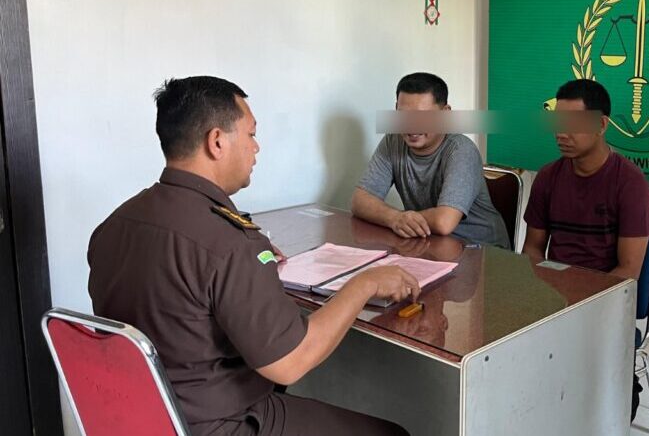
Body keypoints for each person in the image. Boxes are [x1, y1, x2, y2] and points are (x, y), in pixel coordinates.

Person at [88, 76, 416, 436]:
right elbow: (291, 361)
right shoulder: (230, 241)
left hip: (144, 418)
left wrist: (246, 268)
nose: (256, 148)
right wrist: (365, 284)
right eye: (251, 134)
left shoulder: (114, 225)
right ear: (217, 142)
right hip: (221, 424)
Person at [521, 78, 649, 420]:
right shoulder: (548, 178)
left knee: (602, 403)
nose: (561, 133)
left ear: (601, 125)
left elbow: (627, 273)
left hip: (604, 304)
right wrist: (540, 294)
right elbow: (533, 249)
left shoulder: (630, 184)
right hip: (553, 298)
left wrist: (577, 306)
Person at [352, 72, 510, 248]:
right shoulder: (393, 141)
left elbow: (444, 222)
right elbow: (360, 201)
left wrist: (399, 218)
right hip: (430, 245)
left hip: (482, 252)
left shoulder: (461, 150)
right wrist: (395, 218)